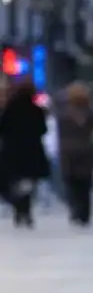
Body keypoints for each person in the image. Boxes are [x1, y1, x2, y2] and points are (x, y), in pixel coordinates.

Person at [0, 82, 51, 228]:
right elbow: (43, 129)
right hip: (32, 151)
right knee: (28, 182)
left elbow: (2, 128)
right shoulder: (36, 111)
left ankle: (19, 209)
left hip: (12, 152)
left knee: (15, 181)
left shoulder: (9, 110)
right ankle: (26, 210)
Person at [57, 83, 93, 227]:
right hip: (86, 151)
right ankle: (84, 213)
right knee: (85, 185)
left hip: (68, 152)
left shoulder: (63, 114)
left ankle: (75, 210)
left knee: (71, 183)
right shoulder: (91, 113)